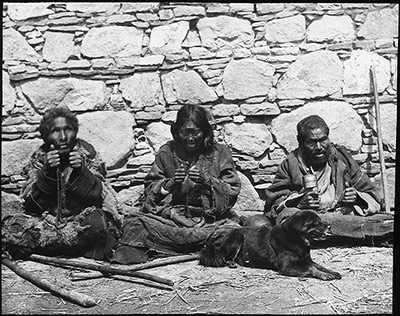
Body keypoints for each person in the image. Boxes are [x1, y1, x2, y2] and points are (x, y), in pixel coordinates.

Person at [112, 104, 241, 264]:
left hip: (207, 221)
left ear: (205, 132)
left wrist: (207, 180)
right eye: (185, 132)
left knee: (232, 231)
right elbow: (150, 190)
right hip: (171, 220)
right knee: (135, 223)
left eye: (196, 132)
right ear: (177, 132)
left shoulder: (219, 153)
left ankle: (166, 248)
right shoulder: (166, 152)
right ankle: (198, 250)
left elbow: (232, 190)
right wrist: (170, 183)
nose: (190, 138)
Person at [2, 107, 123, 261]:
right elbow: (31, 205)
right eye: (56, 131)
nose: (64, 137)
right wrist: (48, 173)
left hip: (80, 223)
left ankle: (48, 249)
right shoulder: (40, 158)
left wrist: (81, 171)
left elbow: (99, 197)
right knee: (11, 229)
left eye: (68, 130)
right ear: (46, 136)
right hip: (47, 224)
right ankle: (70, 248)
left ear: (75, 132)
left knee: (99, 225)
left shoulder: (87, 153)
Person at [264, 115, 382, 226]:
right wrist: (299, 202)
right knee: (290, 217)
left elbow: (372, 195)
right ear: (301, 143)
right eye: (312, 142)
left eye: (323, 140)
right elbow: (274, 202)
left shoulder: (342, 159)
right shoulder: (291, 163)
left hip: (340, 214)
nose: (319, 147)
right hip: (307, 218)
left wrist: (357, 197)